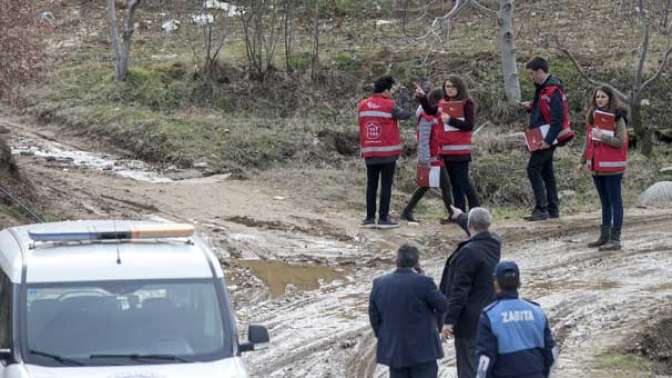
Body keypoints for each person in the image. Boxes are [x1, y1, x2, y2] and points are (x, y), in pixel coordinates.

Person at [438, 207, 501, 378]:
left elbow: (459, 291)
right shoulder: (494, 242)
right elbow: (478, 228)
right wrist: (459, 216)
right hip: (488, 315)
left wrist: (449, 321)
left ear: (470, 226)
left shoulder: (468, 252)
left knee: (468, 368)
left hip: (469, 322)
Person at [369, 244, 448, 378]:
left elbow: (374, 315)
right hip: (423, 351)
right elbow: (443, 306)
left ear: (396, 261)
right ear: (417, 262)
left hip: (395, 351)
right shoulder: (424, 282)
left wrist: (385, 336)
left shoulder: (379, 283)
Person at [475, 261, 556, 378]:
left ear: (496, 283)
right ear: (519, 283)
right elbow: (551, 352)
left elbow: (485, 359)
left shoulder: (489, 315)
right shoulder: (537, 311)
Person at [416, 76, 481, 212]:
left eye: (452, 86)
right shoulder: (442, 102)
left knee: (464, 182)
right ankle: (459, 213)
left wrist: (451, 120)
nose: (449, 89)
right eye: (447, 86)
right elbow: (429, 111)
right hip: (446, 152)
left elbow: (469, 125)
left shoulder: (466, 103)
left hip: (461, 151)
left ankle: (476, 211)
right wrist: (422, 97)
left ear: (459, 87)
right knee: (455, 185)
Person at [521, 57, 574, 221]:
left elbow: (557, 120)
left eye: (531, 74)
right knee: (547, 172)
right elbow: (544, 110)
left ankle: (541, 208)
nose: (531, 77)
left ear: (540, 71)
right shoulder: (542, 89)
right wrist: (531, 106)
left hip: (547, 137)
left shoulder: (553, 91)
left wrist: (548, 141)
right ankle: (552, 208)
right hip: (542, 135)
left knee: (533, 169)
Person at [358, 76, 413, 229]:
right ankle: (383, 218)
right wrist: (405, 98)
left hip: (370, 152)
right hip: (388, 154)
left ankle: (369, 218)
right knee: (386, 185)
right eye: (391, 91)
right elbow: (406, 115)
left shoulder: (362, 105)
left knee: (371, 185)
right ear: (386, 90)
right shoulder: (390, 105)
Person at [579, 87, 628, 251]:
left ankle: (615, 239)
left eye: (603, 97)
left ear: (610, 98)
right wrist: (582, 160)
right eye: (597, 97)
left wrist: (603, 136)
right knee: (605, 203)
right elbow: (588, 140)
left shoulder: (618, 118)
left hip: (613, 167)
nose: (599, 99)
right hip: (596, 166)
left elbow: (620, 141)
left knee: (615, 202)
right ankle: (604, 236)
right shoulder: (592, 116)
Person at [400, 88, 454, 223]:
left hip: (436, 156)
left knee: (427, 185)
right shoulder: (426, 117)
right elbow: (423, 140)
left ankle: (407, 211)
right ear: (436, 102)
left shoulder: (432, 114)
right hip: (431, 158)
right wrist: (425, 161)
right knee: (444, 186)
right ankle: (453, 215)